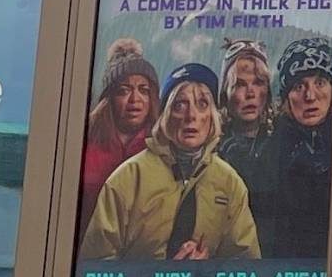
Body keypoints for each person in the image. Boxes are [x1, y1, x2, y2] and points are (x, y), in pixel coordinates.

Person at [80, 59, 262, 261]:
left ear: (212, 116)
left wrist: (208, 272)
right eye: (180, 104)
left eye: (202, 104)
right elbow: (95, 267)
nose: (191, 115)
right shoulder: (128, 178)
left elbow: (246, 269)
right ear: (165, 116)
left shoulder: (229, 183)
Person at [261, 32, 332, 253]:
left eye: (320, 82)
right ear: (287, 97)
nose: (310, 96)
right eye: (299, 86)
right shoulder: (272, 154)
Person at [79, 39, 158, 222]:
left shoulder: (162, 148)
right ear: (109, 98)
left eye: (144, 90)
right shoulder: (84, 143)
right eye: (124, 91)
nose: (135, 99)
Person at [217, 38, 277, 245]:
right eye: (240, 84)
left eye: (258, 83)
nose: (251, 93)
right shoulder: (210, 151)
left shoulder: (283, 144)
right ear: (226, 93)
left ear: (267, 92)